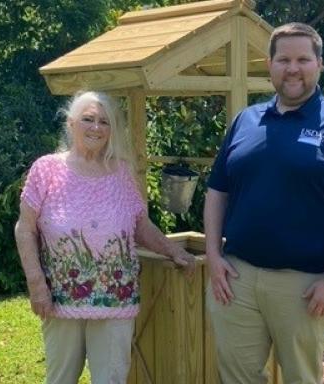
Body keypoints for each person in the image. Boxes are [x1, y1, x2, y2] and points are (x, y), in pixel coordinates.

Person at [204, 22, 324, 384]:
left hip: (306, 284)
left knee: (301, 378)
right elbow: (217, 192)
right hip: (237, 278)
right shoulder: (246, 121)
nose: (293, 68)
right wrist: (213, 256)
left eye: (303, 59)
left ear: (319, 65)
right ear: (270, 65)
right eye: (283, 59)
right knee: (235, 376)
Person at [14, 91, 195, 384]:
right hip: (60, 297)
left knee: (111, 379)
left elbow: (140, 226)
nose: (96, 127)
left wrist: (173, 251)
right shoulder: (46, 169)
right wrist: (37, 285)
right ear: (71, 123)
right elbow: (25, 229)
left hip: (115, 297)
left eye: (104, 121)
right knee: (60, 379)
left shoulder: (122, 172)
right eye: (88, 119)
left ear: (112, 130)